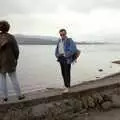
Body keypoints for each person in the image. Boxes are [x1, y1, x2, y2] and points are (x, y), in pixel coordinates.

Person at [0, 20, 25, 102]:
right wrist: (16, 59)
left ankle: (4, 97)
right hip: (10, 61)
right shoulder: (11, 37)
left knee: (2, 79)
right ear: (8, 28)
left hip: (0, 62)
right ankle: (19, 96)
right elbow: (16, 50)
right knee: (14, 78)